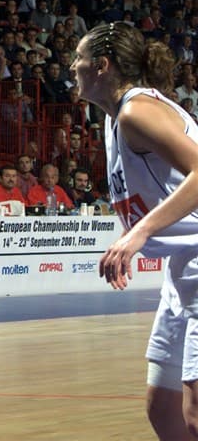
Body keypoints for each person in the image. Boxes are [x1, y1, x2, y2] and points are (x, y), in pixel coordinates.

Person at [74, 23, 198, 439]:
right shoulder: (117, 119)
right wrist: (134, 233)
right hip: (183, 264)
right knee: (163, 410)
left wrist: (140, 232)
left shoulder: (135, 111)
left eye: (80, 58)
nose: (72, 66)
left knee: (195, 413)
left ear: (102, 66)